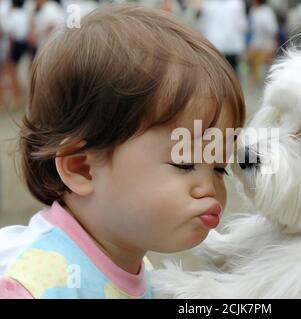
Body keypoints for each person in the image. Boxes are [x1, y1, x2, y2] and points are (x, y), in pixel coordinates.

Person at [0, 5, 245, 299]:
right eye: (184, 162)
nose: (210, 188)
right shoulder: (31, 284)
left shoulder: (138, 267)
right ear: (82, 168)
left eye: (220, 168)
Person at [198, 0, 247, 72]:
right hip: (232, 45)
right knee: (232, 74)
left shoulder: (208, 4)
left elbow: (203, 26)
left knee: (216, 74)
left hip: (214, 45)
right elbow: (242, 25)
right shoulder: (237, 3)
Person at [247, 0, 278, 85]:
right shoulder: (253, 10)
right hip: (257, 39)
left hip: (268, 40)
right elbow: (251, 28)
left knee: (268, 61)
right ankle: (254, 78)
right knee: (251, 59)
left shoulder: (267, 11)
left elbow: (273, 29)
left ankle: (271, 81)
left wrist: (275, 43)